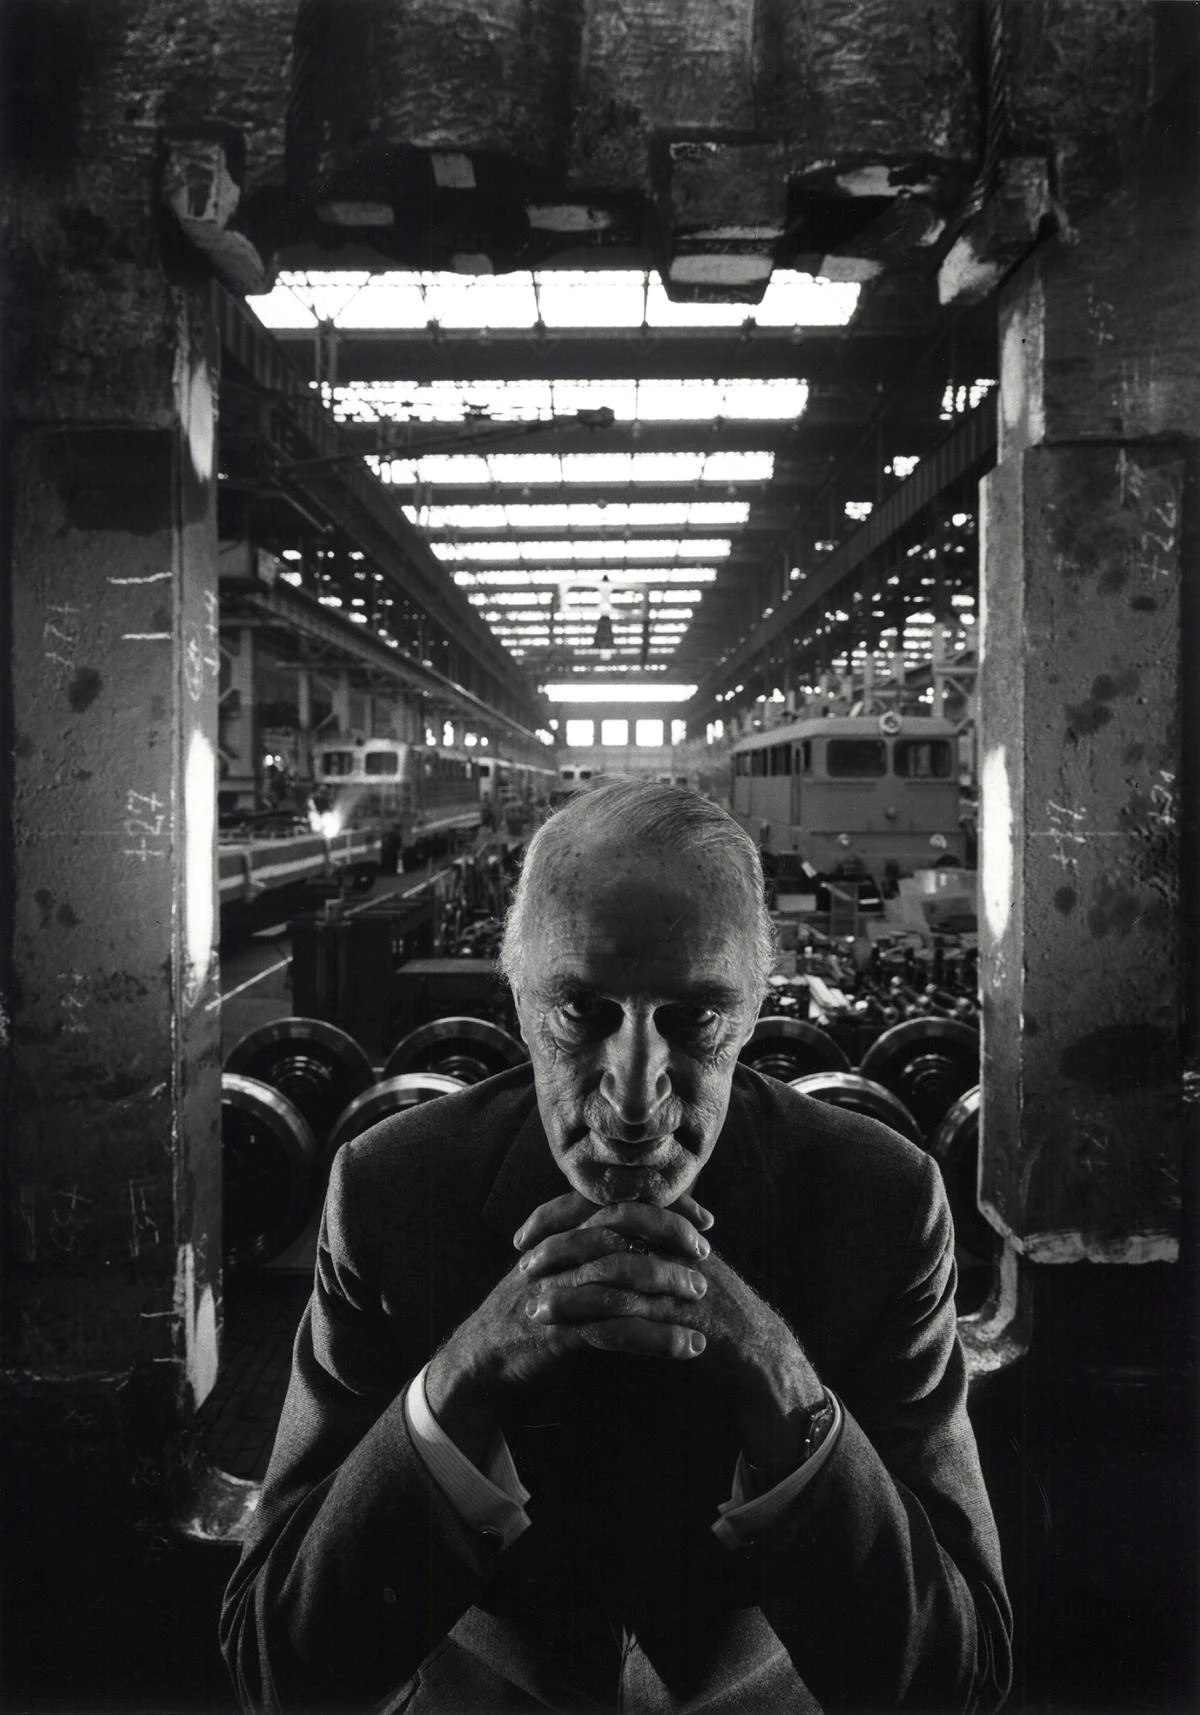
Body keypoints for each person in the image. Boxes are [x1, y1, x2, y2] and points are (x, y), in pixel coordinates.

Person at [221, 780, 1011, 1714]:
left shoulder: (882, 1202)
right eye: (581, 1010)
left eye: (695, 1017)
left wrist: (786, 1388)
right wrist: (459, 1380)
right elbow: (276, 1666)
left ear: (756, 1008)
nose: (635, 1101)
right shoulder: (390, 1191)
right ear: (518, 1002)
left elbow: (961, 1676)